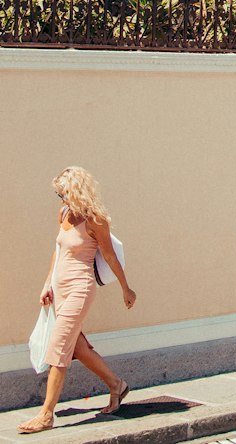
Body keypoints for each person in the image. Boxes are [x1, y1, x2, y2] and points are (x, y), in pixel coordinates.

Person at [19, 167, 136, 435]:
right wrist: (47, 283)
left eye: (63, 193)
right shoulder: (64, 214)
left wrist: (126, 289)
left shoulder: (96, 220)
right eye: (58, 194)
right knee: (78, 349)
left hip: (80, 290)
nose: (60, 198)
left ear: (76, 190)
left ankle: (46, 415)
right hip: (59, 290)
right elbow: (57, 250)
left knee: (58, 350)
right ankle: (117, 385)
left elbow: (109, 257)